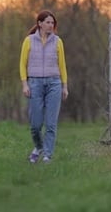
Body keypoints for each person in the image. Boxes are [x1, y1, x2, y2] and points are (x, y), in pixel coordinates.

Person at [19, 9, 68, 164]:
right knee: (35, 125)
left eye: (52, 22)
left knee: (51, 124)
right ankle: (39, 147)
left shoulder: (58, 42)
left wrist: (64, 86)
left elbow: (62, 66)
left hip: (54, 83)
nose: (50, 25)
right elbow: (22, 64)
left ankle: (47, 155)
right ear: (39, 24)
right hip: (35, 83)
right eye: (47, 22)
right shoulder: (29, 41)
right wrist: (25, 84)